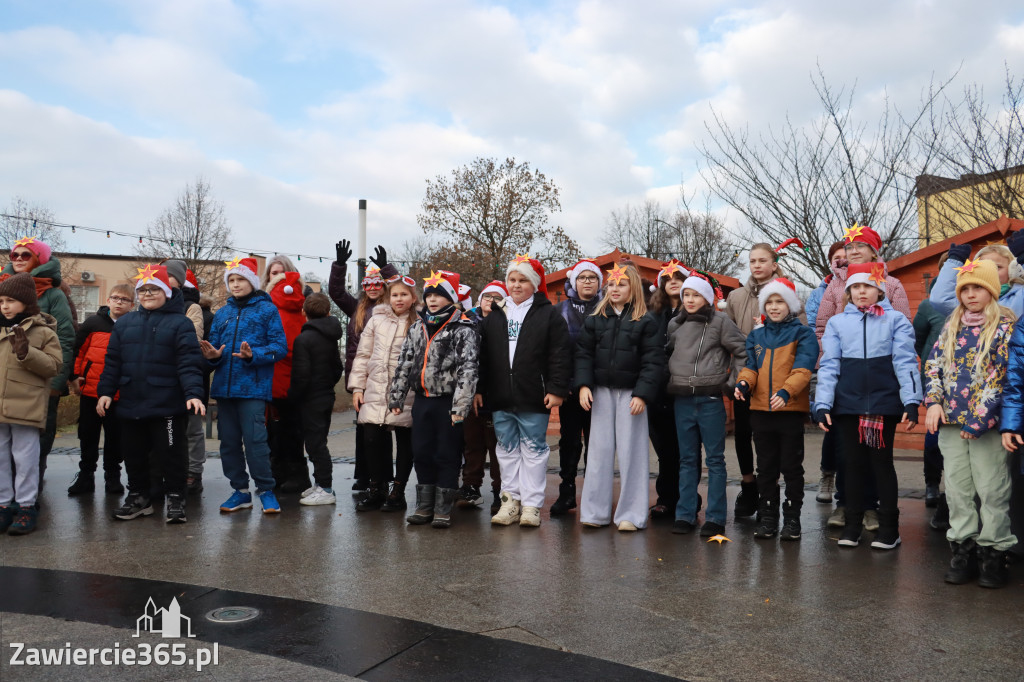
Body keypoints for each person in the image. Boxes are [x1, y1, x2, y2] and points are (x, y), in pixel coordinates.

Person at [922, 259, 1016, 587]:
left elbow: (1000, 376)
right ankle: (963, 549)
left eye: (978, 288)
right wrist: (933, 401)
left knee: (992, 489)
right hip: (950, 422)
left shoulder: (1004, 327)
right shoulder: (953, 326)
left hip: (986, 426)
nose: (971, 295)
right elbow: (934, 364)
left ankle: (994, 553)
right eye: (965, 289)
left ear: (991, 290)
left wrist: (978, 419)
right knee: (958, 491)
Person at [815, 261, 920, 550]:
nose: (862, 292)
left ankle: (889, 528)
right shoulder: (838, 323)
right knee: (851, 464)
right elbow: (829, 365)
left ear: (879, 290)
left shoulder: (895, 320)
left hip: (883, 403)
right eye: (856, 287)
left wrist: (911, 400)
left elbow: (905, 361)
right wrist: (822, 403)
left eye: (868, 286)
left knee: (881, 464)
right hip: (847, 404)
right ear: (848, 292)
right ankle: (852, 524)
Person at [97, 265, 206, 524]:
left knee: (171, 453)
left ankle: (177, 498)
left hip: (167, 405)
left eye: (154, 289)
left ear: (167, 292)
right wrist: (106, 392)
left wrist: (193, 393)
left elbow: (189, 363)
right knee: (133, 454)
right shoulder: (124, 324)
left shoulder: (181, 323)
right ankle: (138, 497)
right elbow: (113, 361)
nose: (147, 294)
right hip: (132, 403)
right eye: (143, 290)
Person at [477, 255, 570, 528]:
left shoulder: (548, 314)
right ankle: (510, 502)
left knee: (534, 451)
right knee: (506, 451)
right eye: (512, 280)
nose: (516, 285)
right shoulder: (495, 315)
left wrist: (556, 389)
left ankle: (531, 505)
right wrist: (481, 388)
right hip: (500, 396)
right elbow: (483, 356)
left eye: (522, 280)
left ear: (535, 283)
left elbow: (560, 355)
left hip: (534, 395)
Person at [575, 263, 665, 531]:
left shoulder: (646, 321)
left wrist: (643, 394)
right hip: (601, 392)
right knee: (599, 453)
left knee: (632, 453)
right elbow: (583, 354)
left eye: (622, 284)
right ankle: (594, 512)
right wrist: (583, 385)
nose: (615, 289)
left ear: (632, 288)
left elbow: (653, 361)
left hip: (631, 395)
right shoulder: (595, 318)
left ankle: (630, 514)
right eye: (612, 284)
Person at [389, 270, 479, 528]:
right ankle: (424, 505)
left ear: (450, 298)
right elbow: (405, 362)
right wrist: (396, 396)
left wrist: (461, 405)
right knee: (422, 452)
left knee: (446, 453)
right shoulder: (418, 327)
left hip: (448, 402)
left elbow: (468, 368)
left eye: (439, 295)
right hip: (423, 401)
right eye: (429, 295)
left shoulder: (462, 328)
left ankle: (443, 506)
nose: (433, 300)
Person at [200, 257, 288, 514]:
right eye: (232, 280)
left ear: (251, 282)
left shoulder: (267, 310)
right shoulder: (223, 313)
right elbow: (214, 346)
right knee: (228, 443)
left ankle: (266, 490)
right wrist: (213, 356)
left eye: (240, 279)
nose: (236, 285)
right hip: (224, 391)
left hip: (253, 388)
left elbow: (279, 348)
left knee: (255, 442)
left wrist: (254, 355)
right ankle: (240, 491)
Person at [734, 277, 817, 541]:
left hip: (789, 411)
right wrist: (744, 383)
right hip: (760, 411)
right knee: (766, 468)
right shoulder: (756, 335)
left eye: (779, 301)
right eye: (769, 301)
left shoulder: (803, 334)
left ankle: (792, 518)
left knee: (791, 467)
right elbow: (751, 366)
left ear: (790, 304)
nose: (774, 306)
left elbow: (803, 369)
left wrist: (786, 392)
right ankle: (768, 516)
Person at [666, 272, 746, 537]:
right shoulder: (675, 324)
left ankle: (715, 518)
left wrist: (731, 383)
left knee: (715, 460)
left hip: (710, 399)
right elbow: (669, 354)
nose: (690, 299)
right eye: (686, 294)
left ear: (707, 297)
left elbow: (742, 352)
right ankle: (685, 514)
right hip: (682, 400)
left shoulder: (721, 322)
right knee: (687, 459)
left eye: (696, 295)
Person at [0, 237, 75, 486]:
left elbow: (64, 338)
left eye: (26, 255)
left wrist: (56, 381)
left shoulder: (54, 294)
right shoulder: (2, 287)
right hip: (6, 382)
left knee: (34, 443)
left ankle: (30, 495)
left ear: (40, 259)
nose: (19, 259)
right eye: (15, 255)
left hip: (39, 380)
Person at [725, 242, 792, 518]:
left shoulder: (785, 292)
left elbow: (796, 330)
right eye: (752, 261)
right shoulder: (737, 297)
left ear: (774, 264)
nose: (756, 265)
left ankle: (770, 490)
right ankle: (748, 484)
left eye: (762, 260)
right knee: (743, 432)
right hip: (743, 374)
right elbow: (725, 335)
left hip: (774, 378)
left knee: (770, 437)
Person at [348, 266, 417, 512]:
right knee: (372, 438)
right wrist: (358, 387)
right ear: (388, 297)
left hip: (406, 392)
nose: (399, 299)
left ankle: (398, 491)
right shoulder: (376, 319)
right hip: (376, 389)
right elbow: (363, 354)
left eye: (404, 295)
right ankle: (377, 488)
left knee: (405, 441)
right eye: (395, 295)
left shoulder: (418, 322)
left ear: (413, 298)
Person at [0, 273, 62, 535]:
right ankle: (3, 506)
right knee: (0, 458)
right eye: (1, 300)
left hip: (26, 404)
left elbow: (53, 366)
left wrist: (26, 352)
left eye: (11, 300)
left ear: (26, 303)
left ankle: (26, 506)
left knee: (25, 458)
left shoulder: (44, 332)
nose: (4, 305)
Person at [329, 240, 388, 491]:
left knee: (382, 430)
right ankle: (364, 475)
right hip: (360, 378)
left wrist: (387, 268)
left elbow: (401, 290)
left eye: (378, 283)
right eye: (369, 284)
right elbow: (337, 293)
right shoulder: (357, 308)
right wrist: (339, 265)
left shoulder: (390, 309)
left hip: (384, 375)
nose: (373, 288)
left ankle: (382, 477)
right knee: (363, 429)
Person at [66, 283, 134, 496]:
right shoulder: (93, 323)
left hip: (119, 394)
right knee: (88, 436)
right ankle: (85, 475)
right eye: (115, 298)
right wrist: (74, 377)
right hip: (90, 392)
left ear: (132, 304)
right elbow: (77, 351)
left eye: (124, 299)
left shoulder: (133, 326)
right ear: (108, 300)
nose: (119, 302)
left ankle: (112, 476)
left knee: (116, 437)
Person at [551, 258, 602, 515]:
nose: (587, 282)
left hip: (600, 390)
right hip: (570, 390)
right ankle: (567, 491)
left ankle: (594, 494)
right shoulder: (559, 310)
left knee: (597, 443)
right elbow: (554, 351)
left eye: (592, 278)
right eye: (582, 277)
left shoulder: (608, 308)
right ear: (573, 281)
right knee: (569, 441)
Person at [289, 292, 344, 506]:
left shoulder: (304, 339)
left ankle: (325, 487)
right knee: (318, 440)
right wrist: (327, 385)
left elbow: (300, 374)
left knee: (315, 444)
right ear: (328, 312)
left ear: (303, 312)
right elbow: (337, 368)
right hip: (326, 395)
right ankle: (320, 484)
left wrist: (293, 396)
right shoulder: (331, 336)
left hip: (310, 398)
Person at [262, 255, 310, 493]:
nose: (278, 277)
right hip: (285, 375)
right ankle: (293, 474)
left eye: (281, 272)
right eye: (273, 272)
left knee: (281, 428)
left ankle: (280, 474)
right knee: (289, 429)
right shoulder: (299, 304)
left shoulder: (269, 305)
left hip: (279, 375)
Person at [647, 259, 690, 519]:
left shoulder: (694, 312)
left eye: (678, 277)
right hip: (658, 392)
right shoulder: (653, 315)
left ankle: (687, 500)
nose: (673, 281)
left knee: (685, 450)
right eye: (668, 278)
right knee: (664, 450)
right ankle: (665, 498)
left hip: (684, 390)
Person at [160, 260, 207, 496]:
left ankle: (193, 473)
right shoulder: (149, 305)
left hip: (186, 375)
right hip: (159, 378)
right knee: (165, 429)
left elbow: (193, 337)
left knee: (192, 429)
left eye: (168, 276)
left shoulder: (192, 307)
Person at [459, 280, 506, 513]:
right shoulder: (466, 321)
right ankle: (470, 487)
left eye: (497, 297)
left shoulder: (506, 323)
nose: (491, 301)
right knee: (472, 443)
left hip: (496, 392)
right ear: (480, 299)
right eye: (488, 296)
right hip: (470, 393)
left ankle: (499, 490)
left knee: (497, 446)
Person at [807, 242, 845, 504]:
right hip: (828, 365)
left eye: (846, 257)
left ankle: (849, 486)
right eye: (836, 258)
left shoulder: (863, 286)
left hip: (857, 367)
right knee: (832, 426)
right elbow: (814, 328)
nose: (841, 262)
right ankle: (827, 475)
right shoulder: (818, 293)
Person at [914, 253, 950, 520]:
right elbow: (918, 338)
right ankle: (931, 482)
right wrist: (929, 358)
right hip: (935, 376)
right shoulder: (929, 305)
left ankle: (952, 495)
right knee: (934, 433)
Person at [931, 241, 1024, 318]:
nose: (991, 272)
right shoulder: (970, 302)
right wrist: (955, 261)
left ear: (1013, 270)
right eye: (984, 268)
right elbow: (942, 300)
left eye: (997, 267)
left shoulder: (1019, 297)